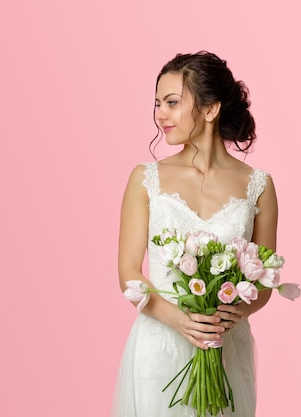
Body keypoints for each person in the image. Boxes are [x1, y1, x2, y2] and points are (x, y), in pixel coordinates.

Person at [111, 51, 278, 417]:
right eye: (157, 103)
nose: (160, 115)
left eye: (172, 103)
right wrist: (180, 320)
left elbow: (265, 280)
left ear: (209, 110)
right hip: (159, 345)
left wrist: (236, 312)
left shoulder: (259, 186)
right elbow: (128, 273)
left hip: (226, 350)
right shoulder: (145, 179)